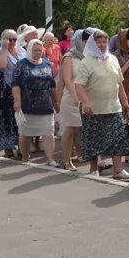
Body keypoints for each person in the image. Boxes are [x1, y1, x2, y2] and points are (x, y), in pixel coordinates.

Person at [75, 29, 129, 180]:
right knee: (93, 139)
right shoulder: (86, 62)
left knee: (117, 139)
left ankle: (118, 170)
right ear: (92, 43)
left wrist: (126, 105)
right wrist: (86, 102)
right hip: (93, 109)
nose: (102, 45)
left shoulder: (112, 60)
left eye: (104, 42)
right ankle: (94, 169)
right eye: (99, 42)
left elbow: (119, 84)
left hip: (113, 107)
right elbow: (79, 86)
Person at [13, 38, 60, 167]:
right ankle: (25, 158)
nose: (38, 52)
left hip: (45, 105)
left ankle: (50, 160)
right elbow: (15, 84)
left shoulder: (47, 64)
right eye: (35, 50)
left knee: (48, 133)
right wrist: (17, 101)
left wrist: (56, 102)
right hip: (27, 104)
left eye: (40, 50)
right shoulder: (21, 64)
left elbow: (52, 85)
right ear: (29, 50)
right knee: (26, 133)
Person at [56, 29, 89, 171]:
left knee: (88, 129)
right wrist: (75, 97)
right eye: (85, 41)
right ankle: (67, 160)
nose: (87, 44)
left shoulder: (88, 56)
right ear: (78, 41)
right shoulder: (69, 57)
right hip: (71, 98)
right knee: (70, 130)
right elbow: (67, 80)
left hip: (86, 96)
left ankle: (91, 159)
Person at [0, 31, 21, 158]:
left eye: (14, 39)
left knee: (19, 119)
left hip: (19, 89)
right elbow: (2, 66)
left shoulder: (21, 52)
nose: (12, 42)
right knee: (5, 117)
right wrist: (4, 48)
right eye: (9, 39)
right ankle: (7, 146)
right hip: (5, 90)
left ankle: (21, 146)